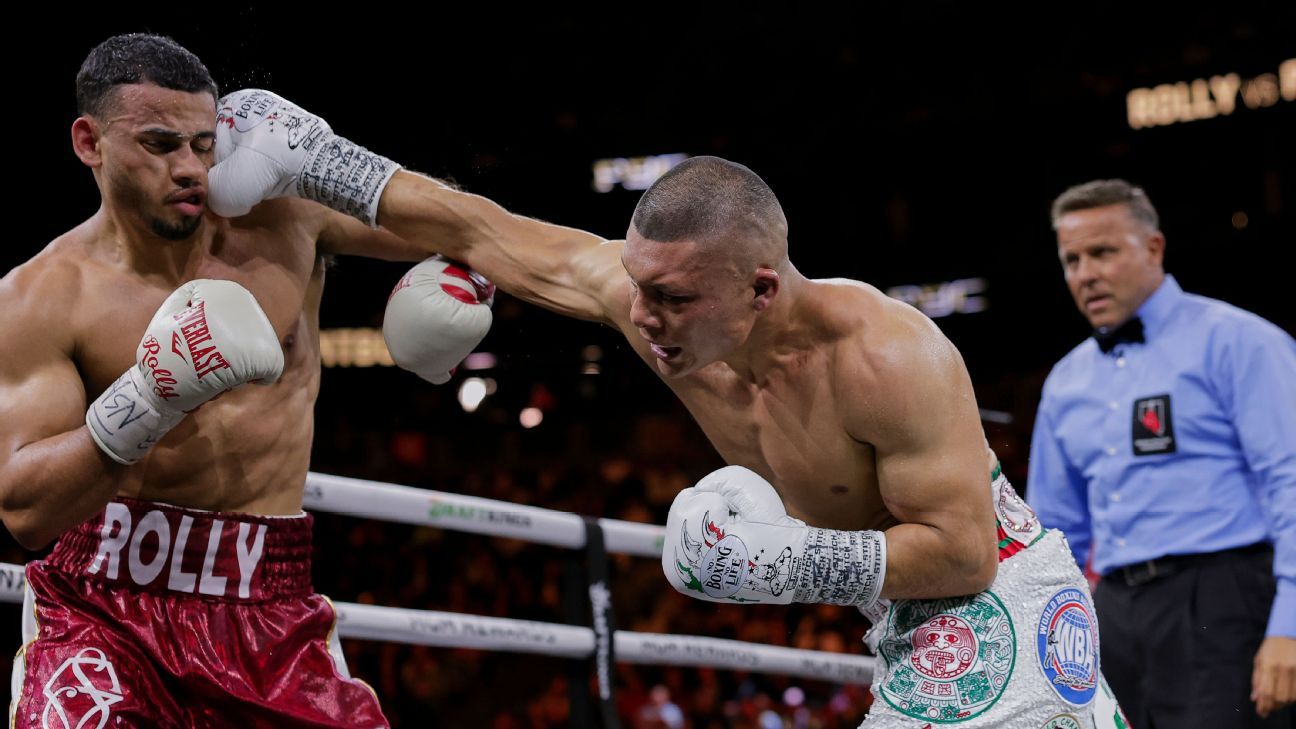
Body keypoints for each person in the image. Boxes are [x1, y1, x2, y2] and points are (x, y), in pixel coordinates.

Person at [209, 87, 1129, 726]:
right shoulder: (650, 300)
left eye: (675, 301)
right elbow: (482, 227)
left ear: (761, 289)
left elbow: (964, 551)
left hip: (998, 602)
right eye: (638, 287)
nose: (642, 318)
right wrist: (320, 159)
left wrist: (783, 563)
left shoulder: (889, 355)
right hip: (898, 617)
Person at [0, 35, 492, 728]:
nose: (190, 168)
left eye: (202, 145)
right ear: (90, 142)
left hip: (269, 601)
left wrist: (467, 271)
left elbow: (462, 224)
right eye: (160, 143)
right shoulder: (39, 296)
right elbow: (24, 512)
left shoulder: (287, 216)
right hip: (104, 607)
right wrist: (144, 398)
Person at [1026, 179, 1296, 726]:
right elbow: (1053, 536)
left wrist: (1289, 627)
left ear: (1153, 249)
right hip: (1112, 613)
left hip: (1223, 599)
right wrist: (1040, 651)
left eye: (1102, 252)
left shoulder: (1241, 342)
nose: (1085, 274)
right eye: (1071, 259)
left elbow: (1291, 482)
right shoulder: (1065, 381)